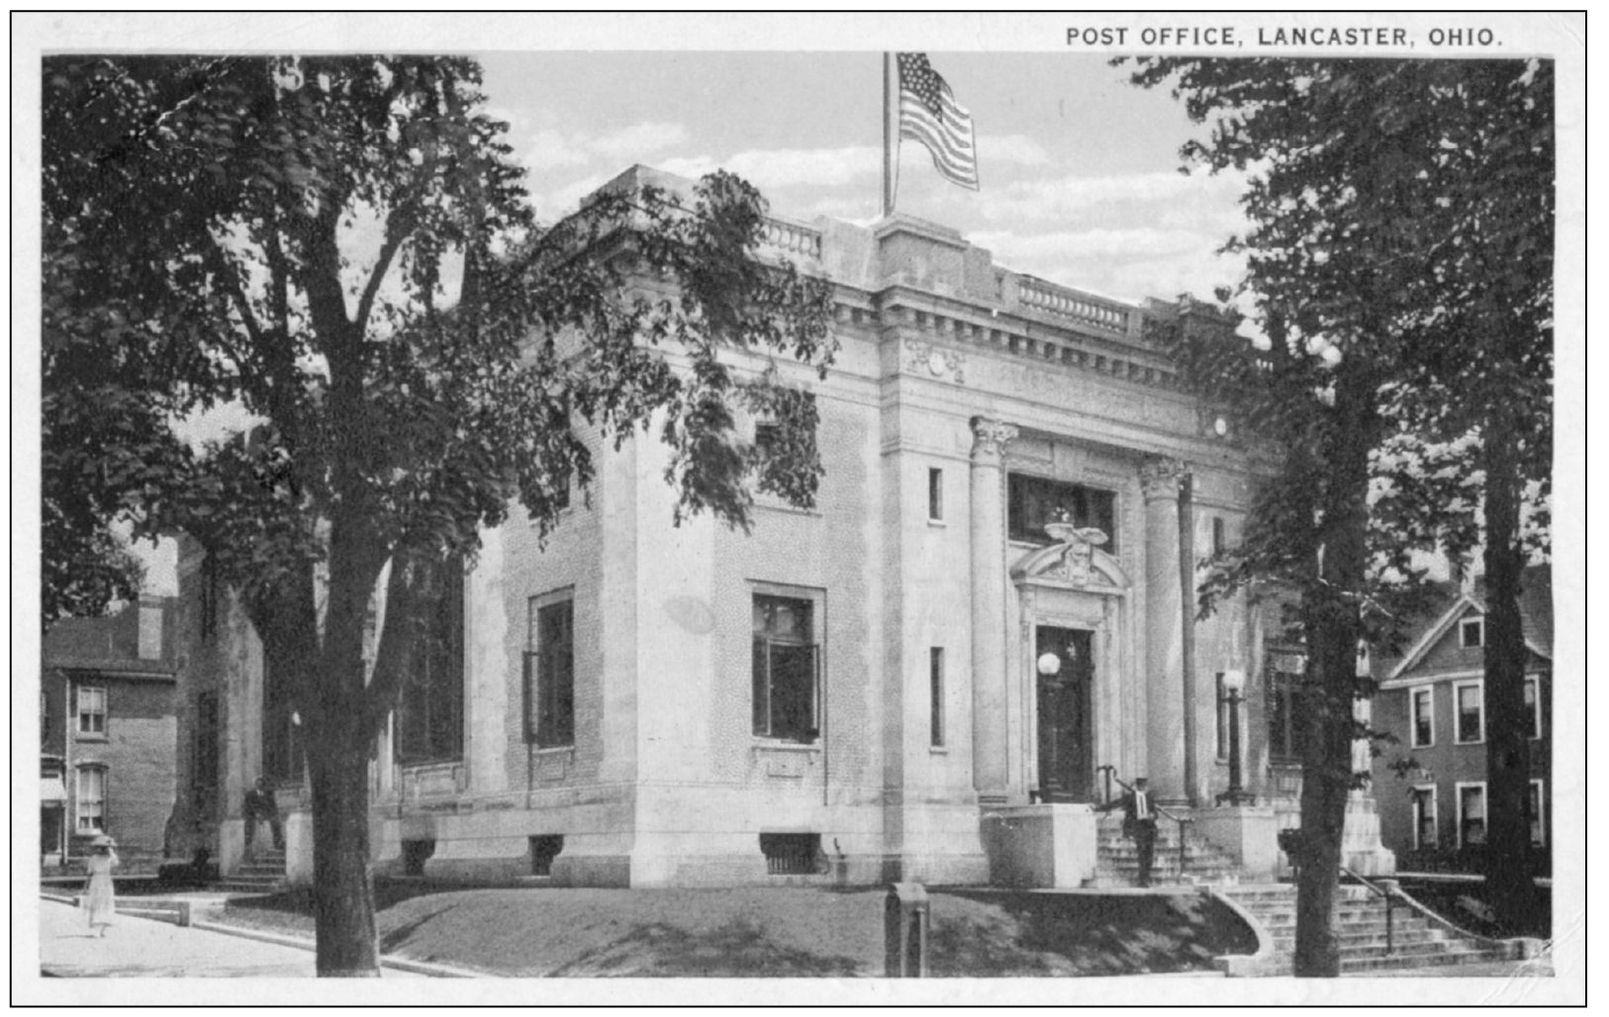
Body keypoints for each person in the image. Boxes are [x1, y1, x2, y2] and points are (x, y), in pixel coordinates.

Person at [1103, 777, 1159, 887]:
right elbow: (1116, 803)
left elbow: (1155, 813)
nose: (1144, 788)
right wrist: (1099, 808)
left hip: (1149, 827)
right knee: (1142, 852)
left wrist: (1153, 816)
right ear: (1137, 786)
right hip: (1138, 827)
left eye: (1145, 785)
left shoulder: (1149, 798)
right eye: (1141, 785)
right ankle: (1142, 879)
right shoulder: (1130, 798)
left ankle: (1146, 876)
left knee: (1149, 854)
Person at [80, 834, 118, 936]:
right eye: (101, 848)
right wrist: (85, 886)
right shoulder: (93, 858)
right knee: (97, 903)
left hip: (106, 881)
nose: (102, 849)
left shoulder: (109, 858)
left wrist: (111, 852)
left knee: (106, 902)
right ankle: (96, 928)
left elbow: (116, 863)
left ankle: (102, 929)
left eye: (104, 848)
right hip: (96, 881)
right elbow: (89, 873)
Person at [243, 776, 284, 858]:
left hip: (266, 814)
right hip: (253, 815)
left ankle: (277, 842)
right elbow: (249, 806)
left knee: (275, 822)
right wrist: (256, 813)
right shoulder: (250, 794)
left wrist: (274, 814)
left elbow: (272, 805)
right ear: (255, 785)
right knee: (251, 827)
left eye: (261, 785)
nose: (260, 786)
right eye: (258, 785)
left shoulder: (267, 794)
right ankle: (250, 849)